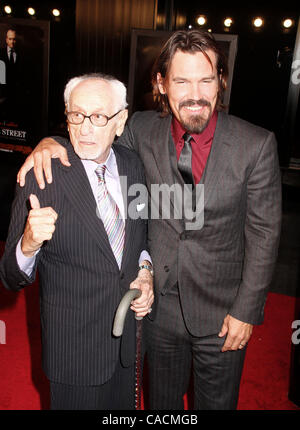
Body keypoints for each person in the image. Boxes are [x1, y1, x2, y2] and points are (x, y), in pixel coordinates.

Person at [16, 30, 282, 410]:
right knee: (161, 407)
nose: (196, 93)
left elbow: (265, 234)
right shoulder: (139, 129)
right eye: (182, 81)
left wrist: (246, 310)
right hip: (158, 312)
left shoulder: (256, 144)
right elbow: (92, 138)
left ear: (221, 82)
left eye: (207, 80)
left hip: (224, 313)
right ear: (161, 83)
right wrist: (51, 143)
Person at [0, 73, 154, 410]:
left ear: (120, 121)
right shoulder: (43, 176)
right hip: (73, 353)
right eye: (76, 115)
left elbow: (142, 237)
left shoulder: (133, 166)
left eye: (98, 117)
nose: (85, 129)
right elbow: (9, 276)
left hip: (128, 341)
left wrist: (145, 270)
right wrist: (28, 244)